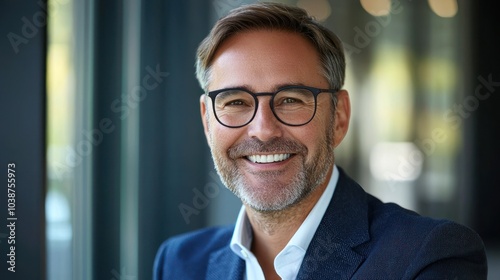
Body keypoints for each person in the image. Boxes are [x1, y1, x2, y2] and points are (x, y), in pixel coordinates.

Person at [153, 2, 487, 279]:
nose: (263, 130)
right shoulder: (180, 262)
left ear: (339, 117)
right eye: (236, 102)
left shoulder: (431, 256)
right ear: (207, 120)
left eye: (291, 100)